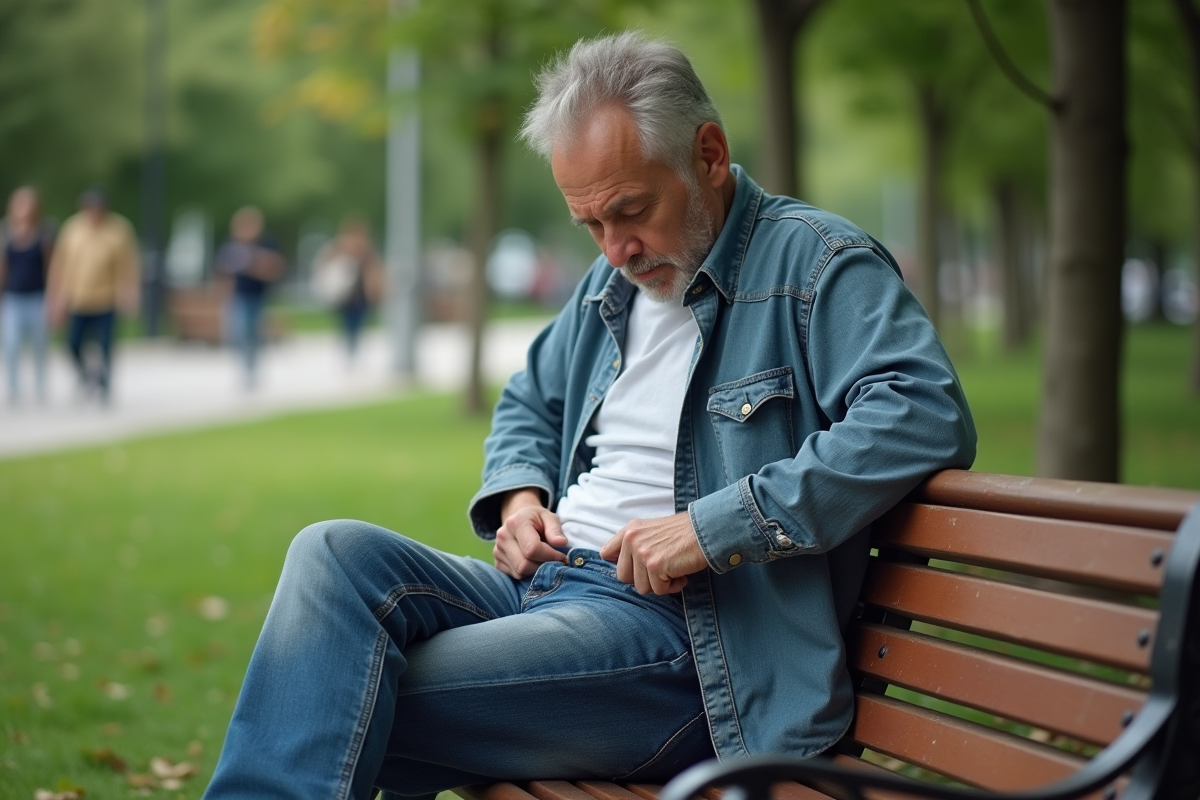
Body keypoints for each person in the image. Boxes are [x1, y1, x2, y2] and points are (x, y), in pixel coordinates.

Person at [203, 32, 976, 800]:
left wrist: (713, 528)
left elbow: (922, 413)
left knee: (334, 686)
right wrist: (519, 496)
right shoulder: (609, 288)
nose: (615, 249)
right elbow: (528, 401)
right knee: (332, 555)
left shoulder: (816, 265)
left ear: (708, 153)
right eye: (592, 225)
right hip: (546, 590)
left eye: (631, 211)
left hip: (692, 649)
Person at [47, 188, 140, 405]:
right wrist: (57, 298)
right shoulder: (72, 229)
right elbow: (60, 265)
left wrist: (130, 294)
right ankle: (87, 374)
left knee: (106, 345)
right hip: (78, 297)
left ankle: (105, 384)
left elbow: (128, 265)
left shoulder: (119, 230)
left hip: (106, 298)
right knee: (72, 343)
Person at [214, 206, 284, 390]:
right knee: (239, 333)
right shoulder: (231, 245)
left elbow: (275, 269)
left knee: (254, 334)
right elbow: (223, 272)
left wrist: (256, 264)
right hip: (238, 297)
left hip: (258, 296)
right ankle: (245, 369)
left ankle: (252, 369)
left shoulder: (266, 244)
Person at [0, 186, 56, 406]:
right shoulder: (6, 233)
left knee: (39, 344)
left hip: (37, 297)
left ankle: (41, 386)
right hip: (13, 298)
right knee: (11, 344)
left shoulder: (44, 233)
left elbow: (51, 267)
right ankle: (13, 388)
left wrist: (54, 297)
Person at [311, 218, 385, 363]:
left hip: (361, 296)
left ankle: (353, 352)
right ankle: (349, 352)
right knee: (347, 325)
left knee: (357, 325)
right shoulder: (337, 248)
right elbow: (323, 266)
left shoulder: (367, 251)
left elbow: (375, 272)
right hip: (343, 296)